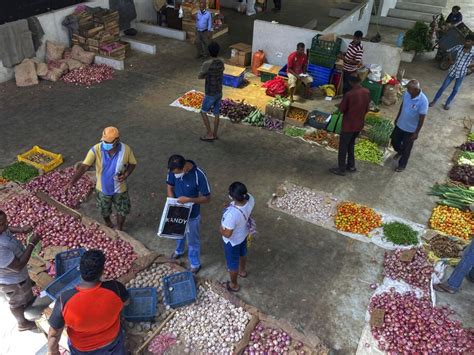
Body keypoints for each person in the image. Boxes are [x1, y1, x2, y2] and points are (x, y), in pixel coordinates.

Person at [47, 250, 129, 355]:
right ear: (102, 271)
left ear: (79, 270)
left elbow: (54, 335)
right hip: (111, 343)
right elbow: (126, 302)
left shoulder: (64, 300)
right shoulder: (116, 288)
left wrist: (53, 352)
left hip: (82, 349)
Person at [68, 127, 137, 231]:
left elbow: (132, 164)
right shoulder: (96, 149)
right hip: (102, 189)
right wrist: (72, 182)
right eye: (104, 141)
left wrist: (126, 174)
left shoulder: (126, 150)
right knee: (104, 209)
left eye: (108, 142)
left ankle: (120, 229)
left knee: (122, 210)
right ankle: (108, 223)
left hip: (120, 189)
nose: (105, 143)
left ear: (117, 140)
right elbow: (84, 166)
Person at [167, 155, 211, 274]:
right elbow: (170, 187)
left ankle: (195, 263)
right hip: (177, 210)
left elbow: (207, 198)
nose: (175, 175)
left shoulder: (199, 175)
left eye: (177, 173)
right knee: (178, 233)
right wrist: (173, 202)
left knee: (193, 240)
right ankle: (179, 251)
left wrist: (189, 200)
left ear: (185, 167)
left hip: (193, 214)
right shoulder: (173, 170)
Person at [0, 210, 40, 331]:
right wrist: (32, 244)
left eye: (5, 221)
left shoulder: (2, 229)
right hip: (12, 281)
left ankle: (29, 305)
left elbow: (7, 229)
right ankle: (22, 323)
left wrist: (21, 230)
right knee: (16, 302)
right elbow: (18, 266)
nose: (6, 224)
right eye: (2, 223)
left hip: (18, 276)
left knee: (25, 294)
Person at [330, 75, 370, 176]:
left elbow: (342, 109)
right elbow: (367, 109)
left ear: (351, 82)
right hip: (359, 124)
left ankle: (341, 169)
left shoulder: (349, 94)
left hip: (349, 125)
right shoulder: (366, 92)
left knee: (343, 146)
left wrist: (339, 106)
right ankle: (351, 166)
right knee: (351, 144)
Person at [220, 182, 255, 292]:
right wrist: (230, 206)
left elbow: (227, 234)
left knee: (232, 264)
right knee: (242, 253)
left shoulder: (232, 215)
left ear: (232, 197)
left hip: (232, 242)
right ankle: (242, 271)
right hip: (243, 234)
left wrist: (220, 228)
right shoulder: (251, 200)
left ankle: (234, 285)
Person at [391, 80, 428, 172]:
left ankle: (402, 165)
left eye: (409, 89)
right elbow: (402, 105)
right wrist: (397, 117)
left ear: (416, 90)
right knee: (394, 141)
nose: (407, 90)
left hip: (410, 129)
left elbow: (422, 118)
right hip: (400, 124)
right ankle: (400, 151)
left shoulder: (423, 101)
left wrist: (416, 132)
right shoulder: (407, 94)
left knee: (407, 148)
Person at [429, 35, 474, 110]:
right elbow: (449, 51)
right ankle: (434, 101)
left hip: (461, 73)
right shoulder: (459, 47)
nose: (466, 42)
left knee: (455, 90)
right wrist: (450, 61)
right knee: (443, 87)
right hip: (452, 71)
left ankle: (447, 103)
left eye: (468, 41)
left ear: (473, 42)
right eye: (466, 41)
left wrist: (468, 65)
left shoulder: (473, 52)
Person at [198, 42, 224, 142]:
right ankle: (215, 134)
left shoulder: (207, 64)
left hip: (210, 92)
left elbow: (200, 76)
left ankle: (209, 134)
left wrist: (207, 75)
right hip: (219, 90)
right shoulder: (221, 61)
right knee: (216, 112)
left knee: (203, 112)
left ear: (209, 52)